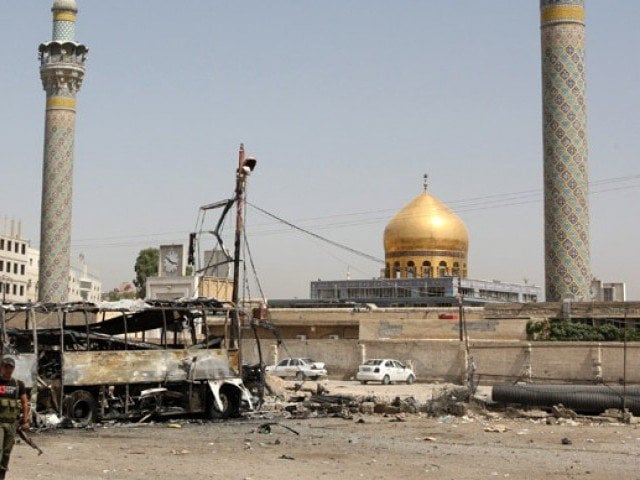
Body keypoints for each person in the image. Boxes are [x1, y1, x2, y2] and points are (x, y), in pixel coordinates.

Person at [0, 356, 29, 479]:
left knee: (6, 453)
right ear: (1, 367)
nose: (8, 369)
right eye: (6, 366)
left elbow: (24, 403)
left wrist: (25, 421)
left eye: (10, 367)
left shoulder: (18, 384)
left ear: (14, 368)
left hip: (12, 424)